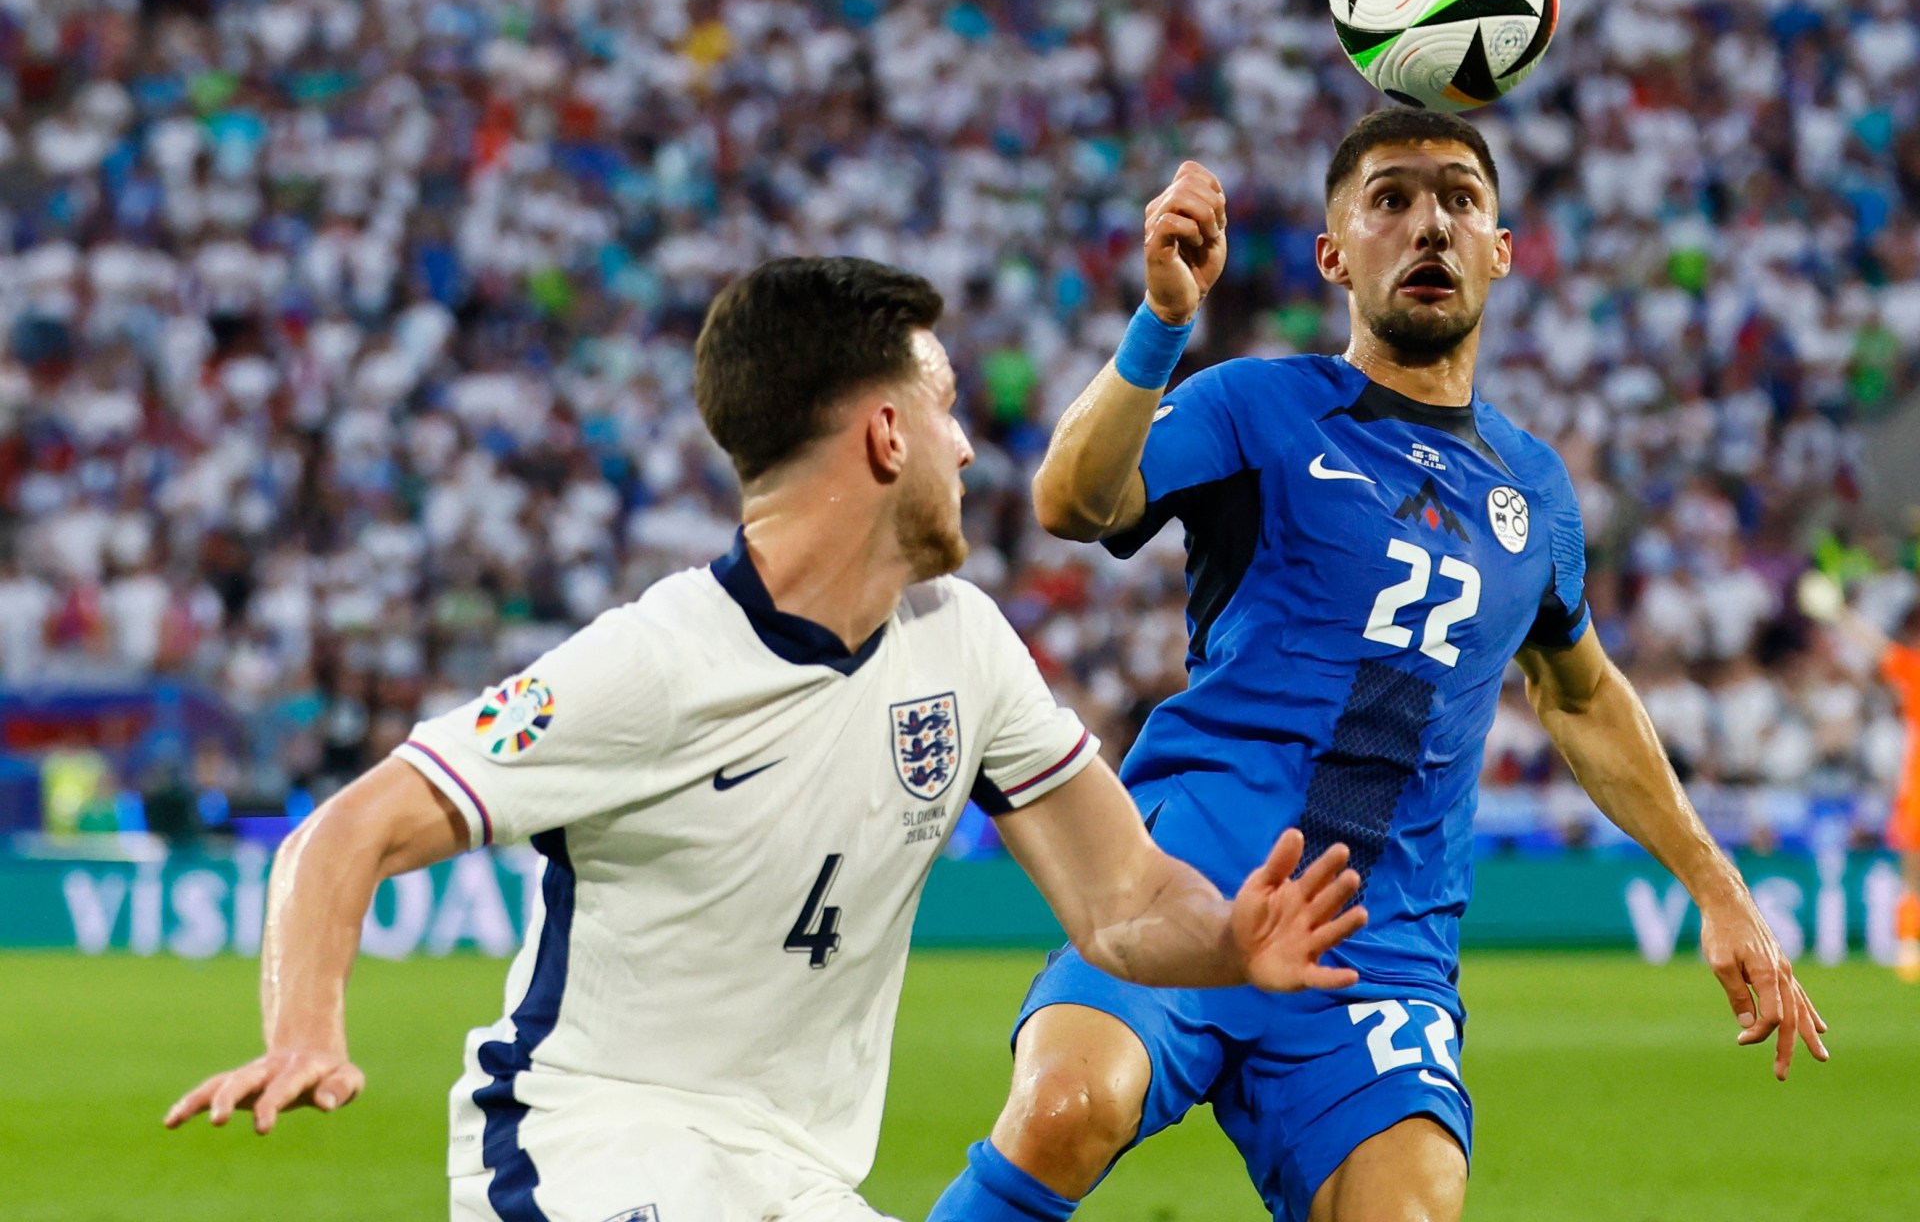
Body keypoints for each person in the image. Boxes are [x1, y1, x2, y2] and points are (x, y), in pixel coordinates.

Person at [163, 255, 1370, 1222]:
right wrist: (305, 1033)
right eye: (945, 410)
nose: (967, 447)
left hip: (792, 1180)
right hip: (591, 1148)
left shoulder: (963, 645)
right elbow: (346, 832)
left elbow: (1122, 901)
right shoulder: (655, 663)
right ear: (886, 437)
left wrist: (1232, 941)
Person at [928, 110, 1829, 1222]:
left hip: (1382, 933)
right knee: (1065, 1106)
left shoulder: (1536, 492)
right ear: (1334, 254)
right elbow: (1072, 502)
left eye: (1460, 199)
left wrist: (1718, 887)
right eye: (1391, 199)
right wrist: (1163, 325)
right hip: (1195, 869)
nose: (1429, 225)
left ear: (1502, 250)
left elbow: (1583, 693)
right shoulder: (1256, 405)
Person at [1796, 569, 1920, 981]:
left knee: (1912, 871)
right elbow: (1876, 646)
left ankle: (1908, 945)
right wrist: (1840, 616)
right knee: (1912, 869)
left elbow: (1877, 647)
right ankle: (1908, 944)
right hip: (1915, 787)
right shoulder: (1913, 669)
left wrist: (1837, 613)